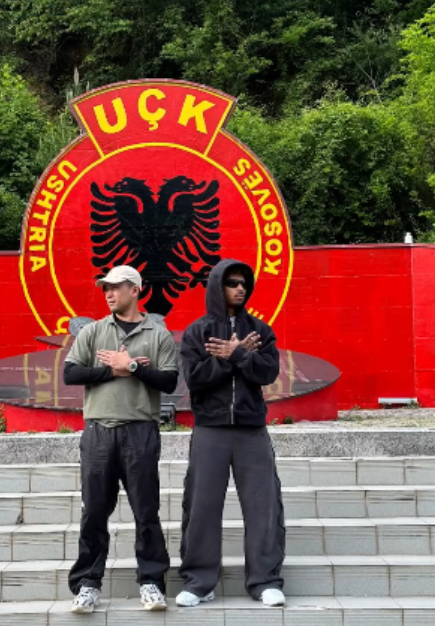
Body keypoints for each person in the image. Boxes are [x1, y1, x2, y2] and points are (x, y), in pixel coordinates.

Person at [63, 265, 178, 613]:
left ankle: (151, 583)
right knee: (94, 511)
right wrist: (110, 370)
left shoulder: (158, 334)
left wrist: (134, 367)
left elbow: (169, 382)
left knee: (146, 511)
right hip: (98, 431)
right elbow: (70, 373)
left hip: (140, 431)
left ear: (135, 289)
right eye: (105, 288)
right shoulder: (93, 331)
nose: (109, 293)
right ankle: (87, 584)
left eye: (115, 287)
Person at [177, 258, 286, 608]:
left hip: (251, 429)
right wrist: (228, 358)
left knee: (263, 505)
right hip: (210, 429)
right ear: (217, 286)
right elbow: (195, 379)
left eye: (244, 283)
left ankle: (265, 581)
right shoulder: (197, 332)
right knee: (202, 505)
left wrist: (238, 354)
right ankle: (199, 583)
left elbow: (267, 373)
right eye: (232, 283)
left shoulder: (260, 330)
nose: (240, 288)